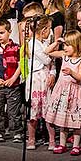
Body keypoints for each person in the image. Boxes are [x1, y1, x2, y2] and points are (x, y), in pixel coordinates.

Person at [45, 30, 81, 154]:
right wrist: (57, 42)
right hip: (62, 91)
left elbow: (80, 77)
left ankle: (76, 145)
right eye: (65, 44)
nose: (65, 47)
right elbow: (48, 52)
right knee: (63, 120)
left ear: (76, 45)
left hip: (74, 93)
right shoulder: (64, 55)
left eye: (68, 45)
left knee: (75, 120)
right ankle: (62, 144)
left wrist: (72, 73)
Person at [0, 19, 22, 143]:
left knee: (14, 112)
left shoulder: (17, 48)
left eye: (2, 33)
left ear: (9, 32)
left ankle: (16, 132)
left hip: (13, 86)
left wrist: (13, 79)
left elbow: (20, 65)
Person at [23, 15, 53, 150]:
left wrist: (53, 73)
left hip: (46, 78)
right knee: (33, 110)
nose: (51, 32)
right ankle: (31, 138)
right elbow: (47, 60)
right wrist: (53, 50)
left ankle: (52, 140)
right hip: (35, 79)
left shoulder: (46, 43)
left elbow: (52, 64)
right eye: (49, 29)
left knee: (48, 109)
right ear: (44, 30)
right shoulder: (32, 43)